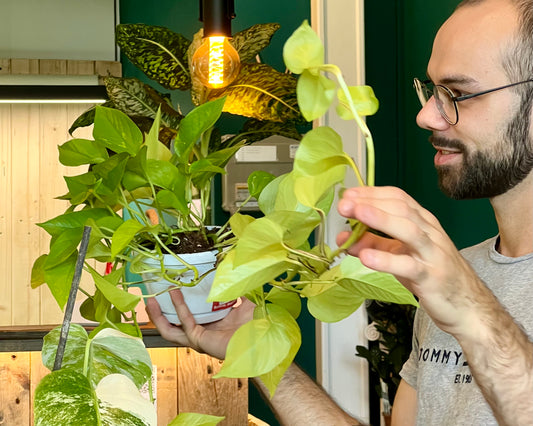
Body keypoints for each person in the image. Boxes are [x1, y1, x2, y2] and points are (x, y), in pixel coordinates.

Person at [146, 0, 533, 424]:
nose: (425, 116)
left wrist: (471, 308)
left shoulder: (458, 288)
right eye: (432, 92)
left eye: (457, 94)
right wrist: (257, 351)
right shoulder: (455, 274)